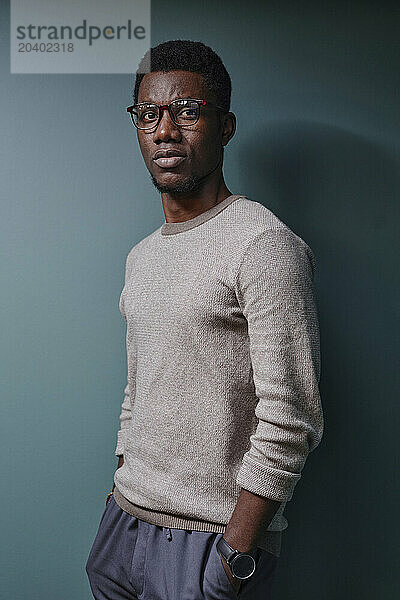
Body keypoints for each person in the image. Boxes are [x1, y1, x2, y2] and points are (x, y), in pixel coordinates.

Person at [85, 39, 324, 600]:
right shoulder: (141, 256)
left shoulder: (263, 244)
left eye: (188, 112)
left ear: (227, 127)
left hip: (207, 543)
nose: (166, 131)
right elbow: (138, 389)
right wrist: (120, 486)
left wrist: (234, 556)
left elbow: (293, 420)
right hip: (123, 526)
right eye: (150, 114)